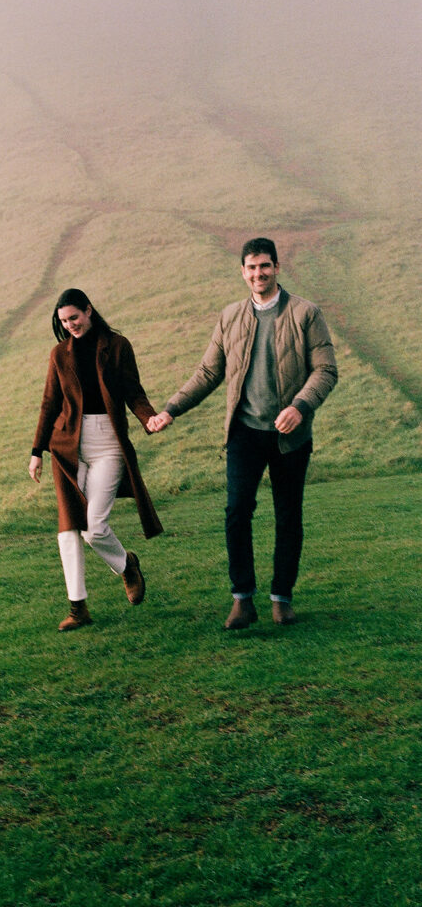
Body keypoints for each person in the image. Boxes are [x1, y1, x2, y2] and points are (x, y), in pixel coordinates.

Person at [148, 238, 337, 629]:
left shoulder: (306, 313)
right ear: (242, 272)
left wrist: (299, 407)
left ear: (277, 268)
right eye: (251, 268)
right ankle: (242, 600)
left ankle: (281, 598)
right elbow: (208, 373)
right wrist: (171, 409)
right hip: (245, 433)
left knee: (288, 517)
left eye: (265, 266)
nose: (258, 273)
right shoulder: (231, 316)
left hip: (290, 437)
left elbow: (325, 370)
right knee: (236, 512)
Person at [29, 288, 163, 631]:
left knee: (95, 528)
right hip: (67, 448)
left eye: (75, 317)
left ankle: (127, 565)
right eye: (64, 321)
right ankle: (78, 609)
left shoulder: (118, 346)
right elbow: (49, 403)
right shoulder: (59, 355)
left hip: (107, 443)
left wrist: (149, 418)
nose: (70, 324)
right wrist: (36, 451)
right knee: (68, 530)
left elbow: (133, 392)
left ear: (89, 311)